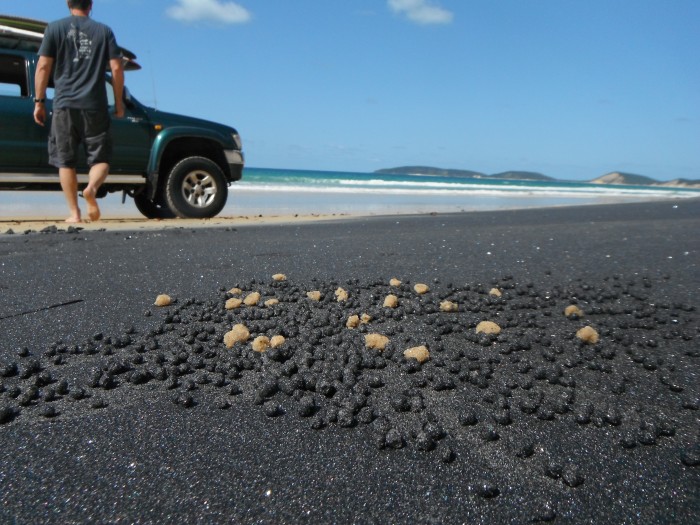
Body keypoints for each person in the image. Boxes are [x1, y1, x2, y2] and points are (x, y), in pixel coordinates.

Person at [33, 0, 124, 223]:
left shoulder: (54, 28)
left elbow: (43, 66)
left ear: (68, 4)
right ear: (90, 5)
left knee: (65, 161)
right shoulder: (104, 31)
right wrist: (119, 103)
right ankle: (91, 188)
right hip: (95, 105)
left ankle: (74, 213)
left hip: (64, 105)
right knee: (100, 158)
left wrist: (39, 102)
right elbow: (116, 67)